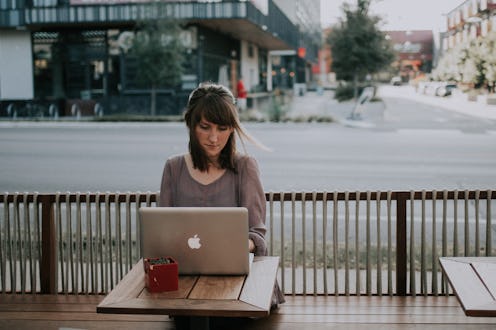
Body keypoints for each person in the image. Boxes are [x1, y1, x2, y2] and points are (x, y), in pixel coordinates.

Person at [158, 82, 284, 321]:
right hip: (187, 284)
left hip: (240, 287)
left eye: (223, 128)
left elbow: (257, 237)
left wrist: (222, 249)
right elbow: (162, 231)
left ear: (232, 129)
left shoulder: (245, 166)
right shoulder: (174, 168)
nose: (214, 138)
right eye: (205, 127)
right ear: (191, 125)